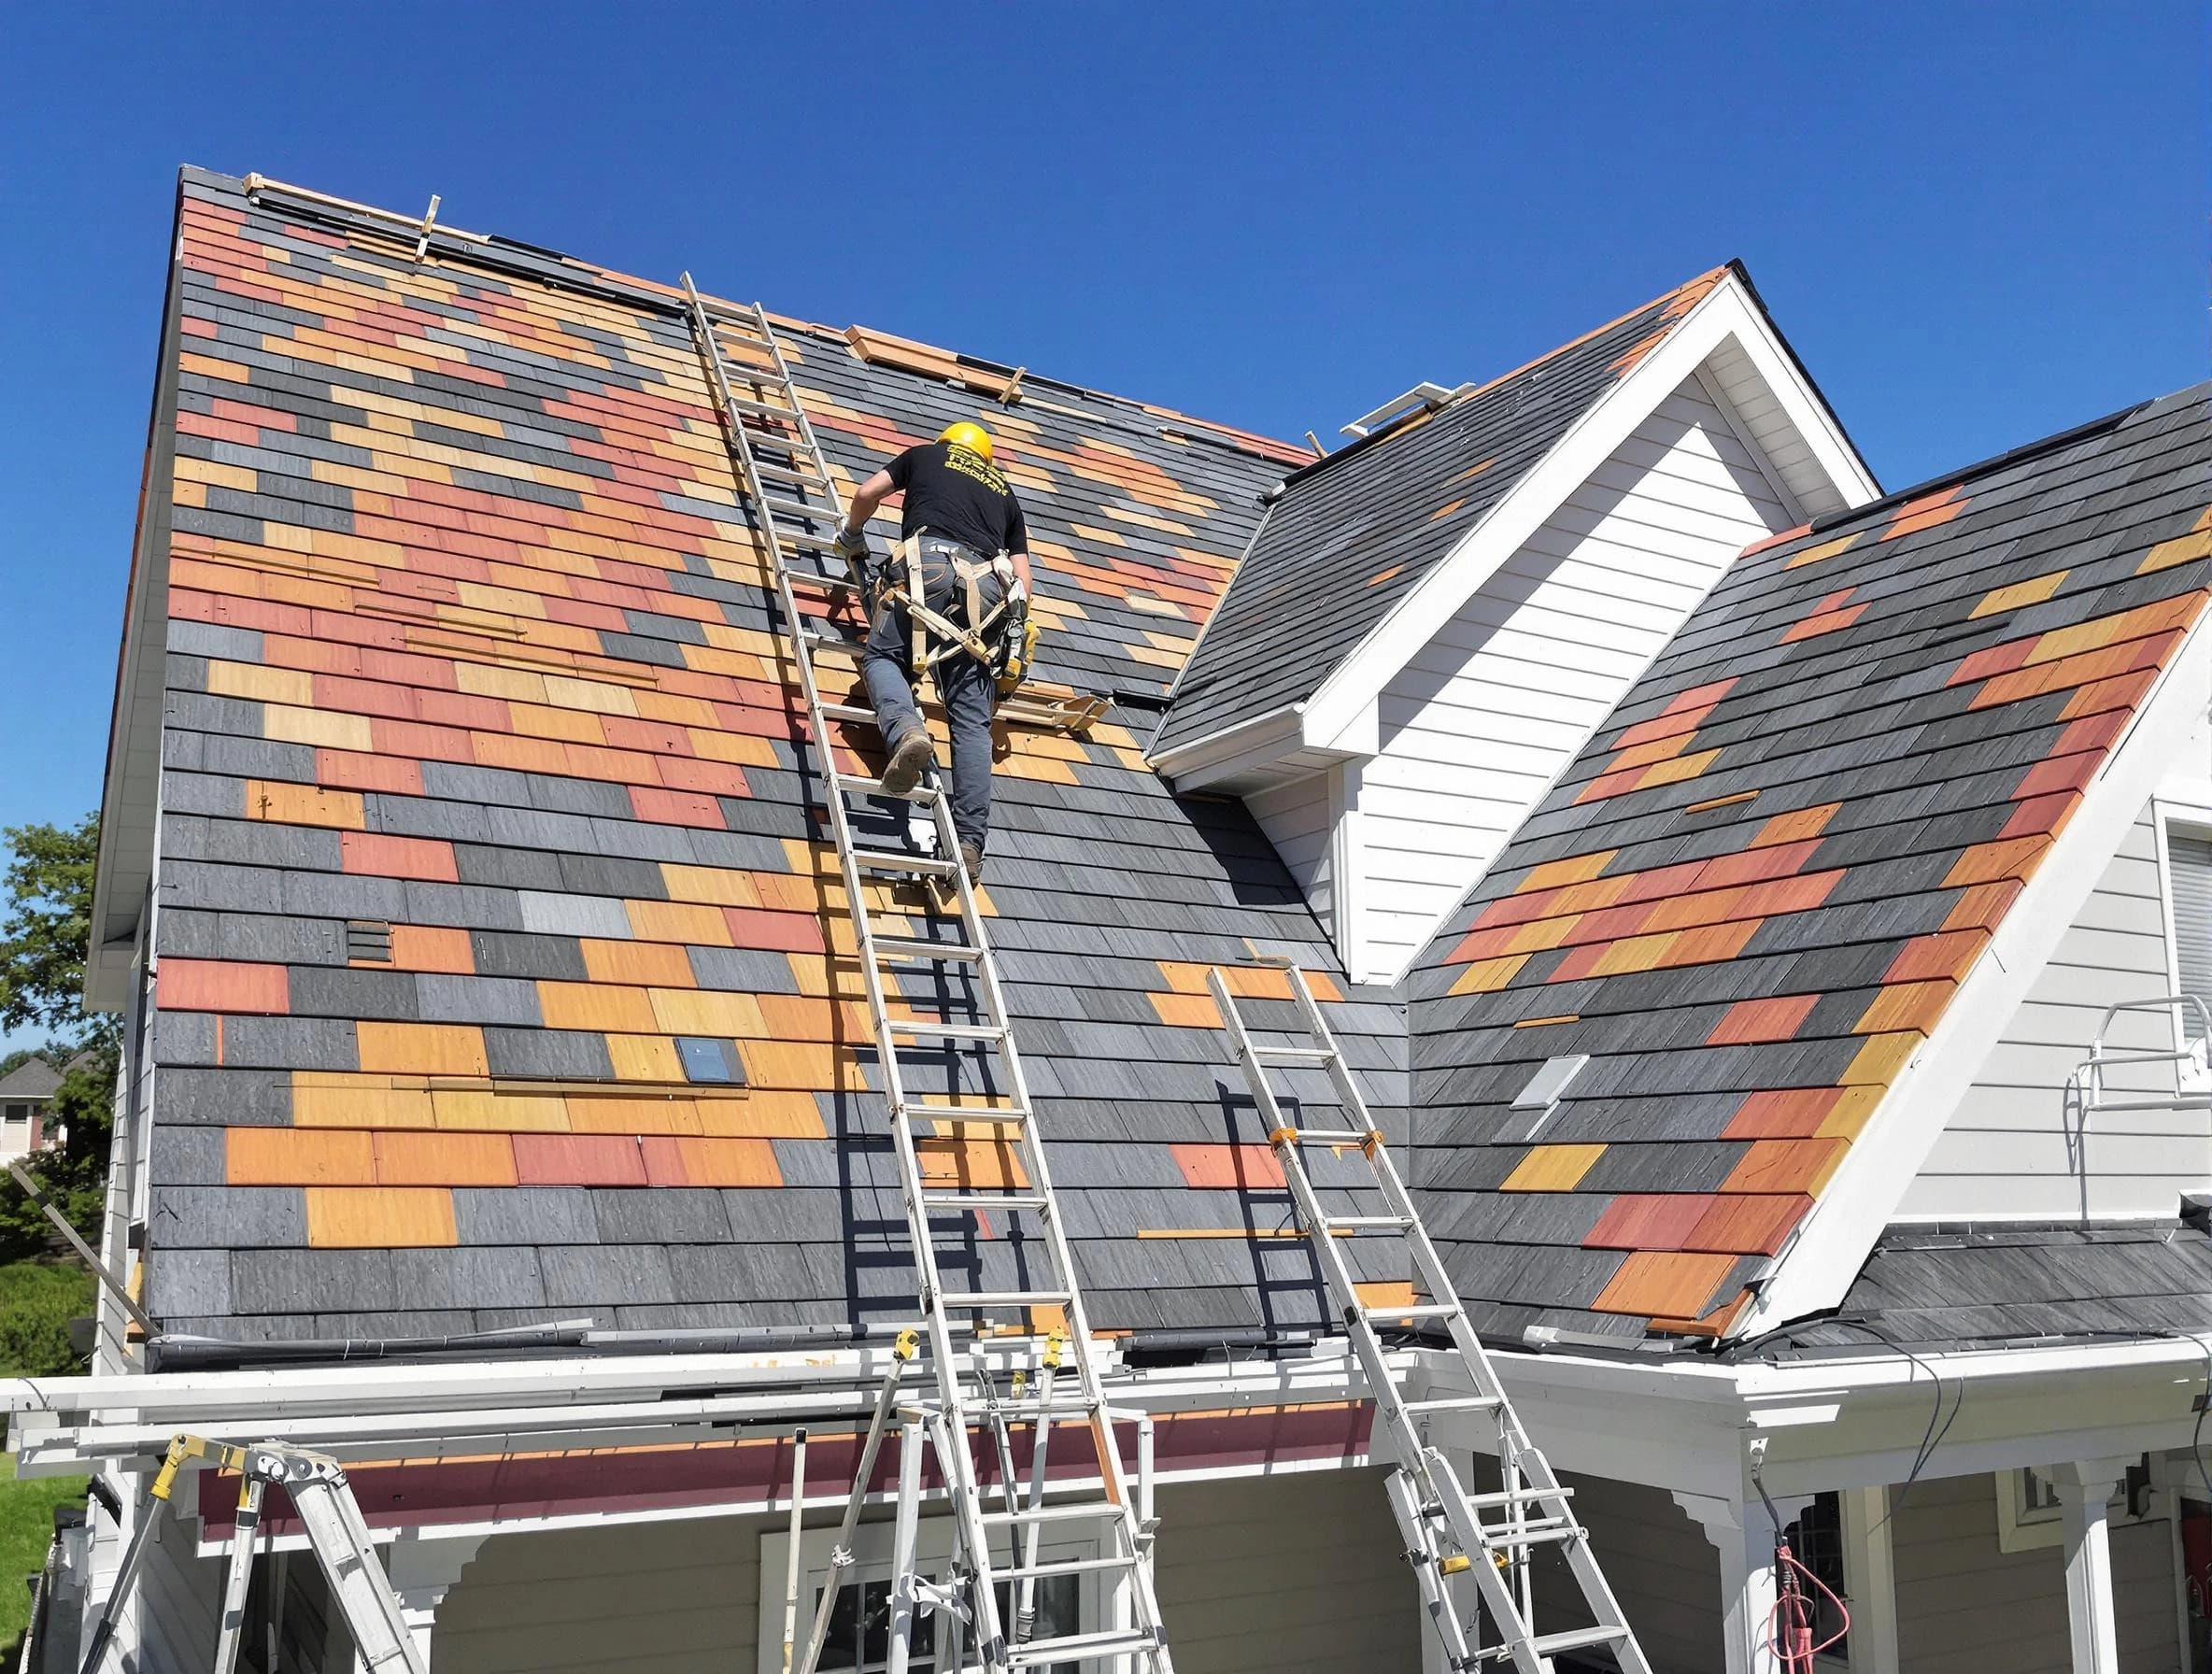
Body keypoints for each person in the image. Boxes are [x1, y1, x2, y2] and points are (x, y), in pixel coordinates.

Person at [835, 421, 1034, 880]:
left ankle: (906, 730)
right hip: (988, 596)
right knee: (971, 724)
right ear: (984, 457)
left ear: (948, 443)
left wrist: (851, 534)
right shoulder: (1005, 491)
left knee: (884, 658)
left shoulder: (925, 455)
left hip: (928, 570)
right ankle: (968, 844)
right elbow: (1024, 584)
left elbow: (868, 493)